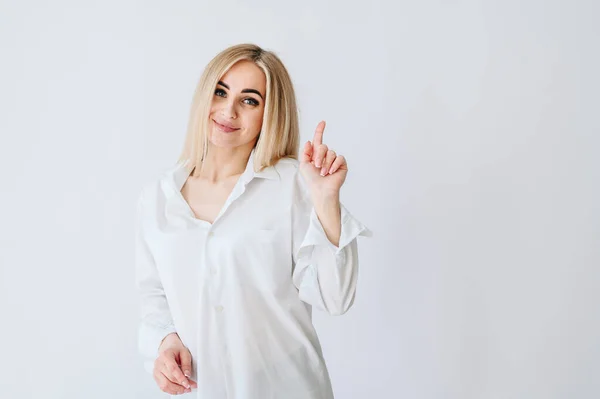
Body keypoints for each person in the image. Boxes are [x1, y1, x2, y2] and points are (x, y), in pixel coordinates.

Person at [135, 43, 372, 398]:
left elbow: (335, 297)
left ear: (269, 114)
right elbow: (154, 292)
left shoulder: (295, 185)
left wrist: (325, 200)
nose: (228, 110)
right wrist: (165, 341)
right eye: (220, 92)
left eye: (249, 100)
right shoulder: (159, 196)